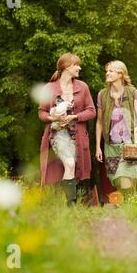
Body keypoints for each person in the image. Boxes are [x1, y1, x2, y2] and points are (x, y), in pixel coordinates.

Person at [38, 53, 96, 207]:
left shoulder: (82, 87)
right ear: (66, 67)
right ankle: (71, 205)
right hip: (58, 135)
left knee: (72, 169)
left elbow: (91, 111)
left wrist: (74, 117)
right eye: (76, 64)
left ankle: (67, 204)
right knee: (70, 164)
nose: (79, 67)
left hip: (77, 136)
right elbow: (41, 112)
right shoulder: (49, 88)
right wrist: (52, 119)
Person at [95, 60, 137, 206]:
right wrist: (98, 146)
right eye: (107, 71)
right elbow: (99, 122)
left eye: (111, 71)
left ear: (121, 73)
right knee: (116, 179)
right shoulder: (102, 94)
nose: (107, 73)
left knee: (124, 177)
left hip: (130, 144)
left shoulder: (132, 92)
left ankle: (127, 207)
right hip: (111, 146)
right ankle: (130, 204)